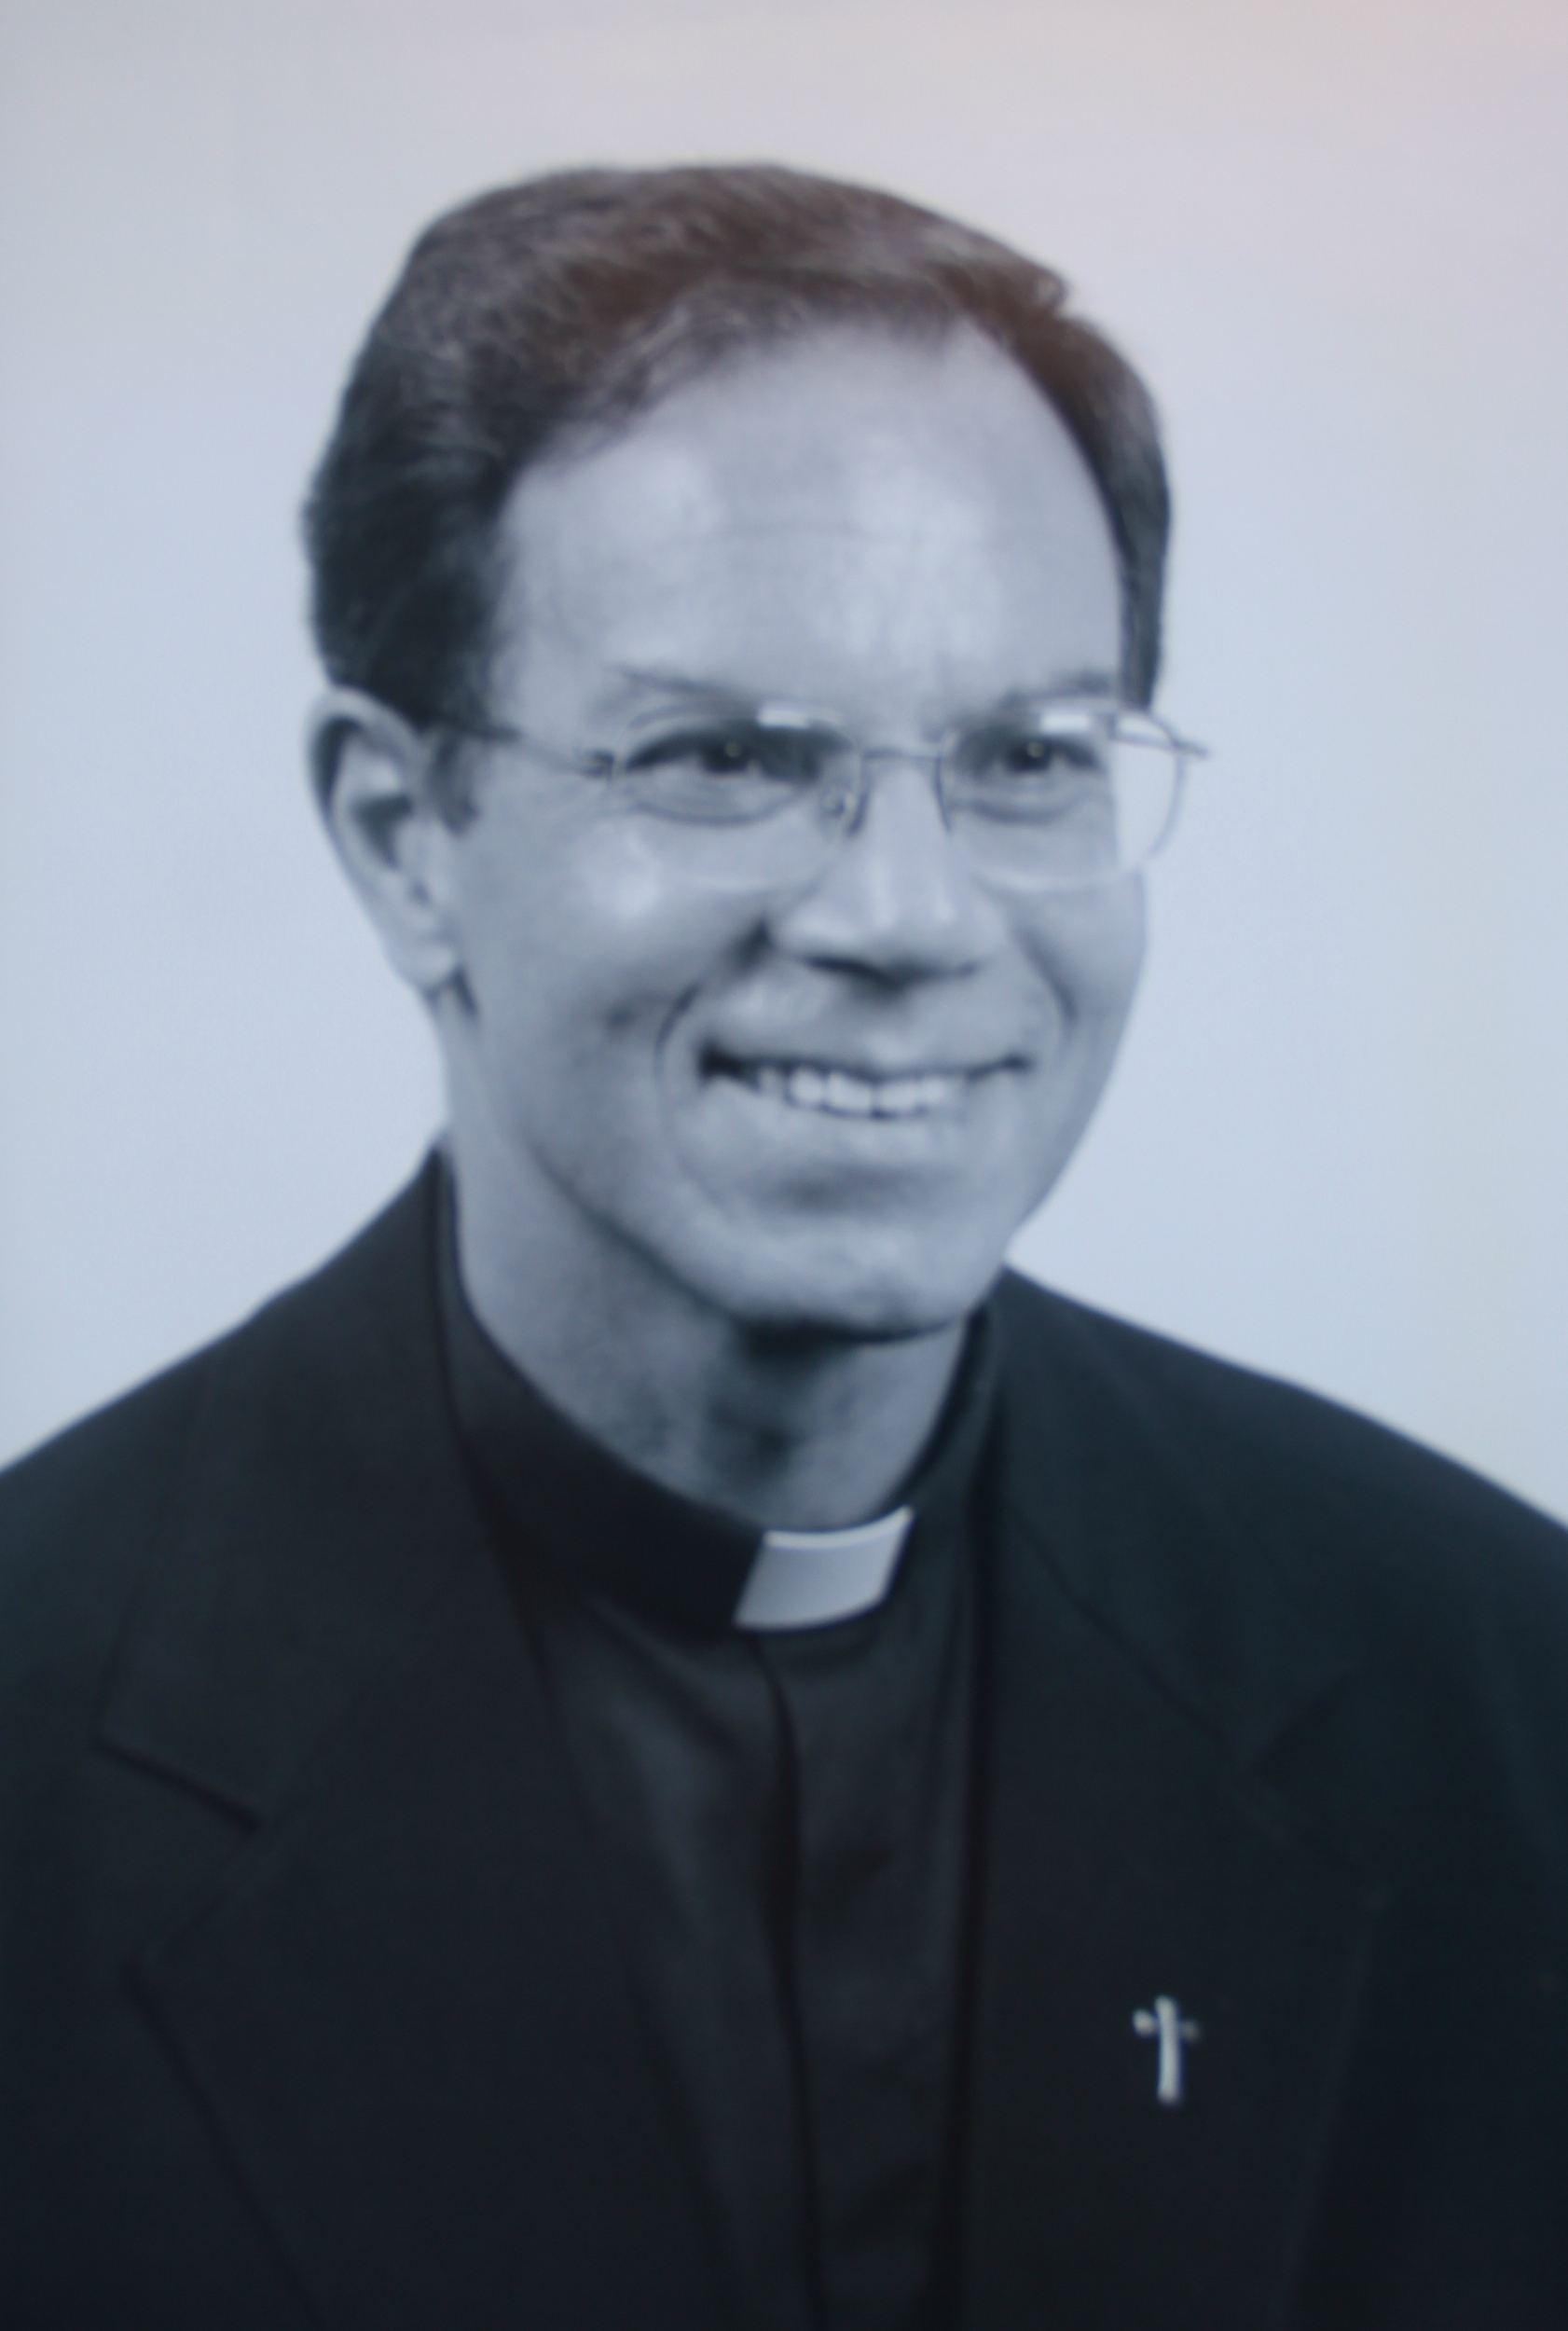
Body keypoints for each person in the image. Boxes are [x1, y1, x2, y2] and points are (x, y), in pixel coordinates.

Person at [3, 164, 1565, 2331]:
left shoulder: (1498, 1687)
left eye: (1027, 756)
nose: (909, 914)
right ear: (402, 838)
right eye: (728, 754)